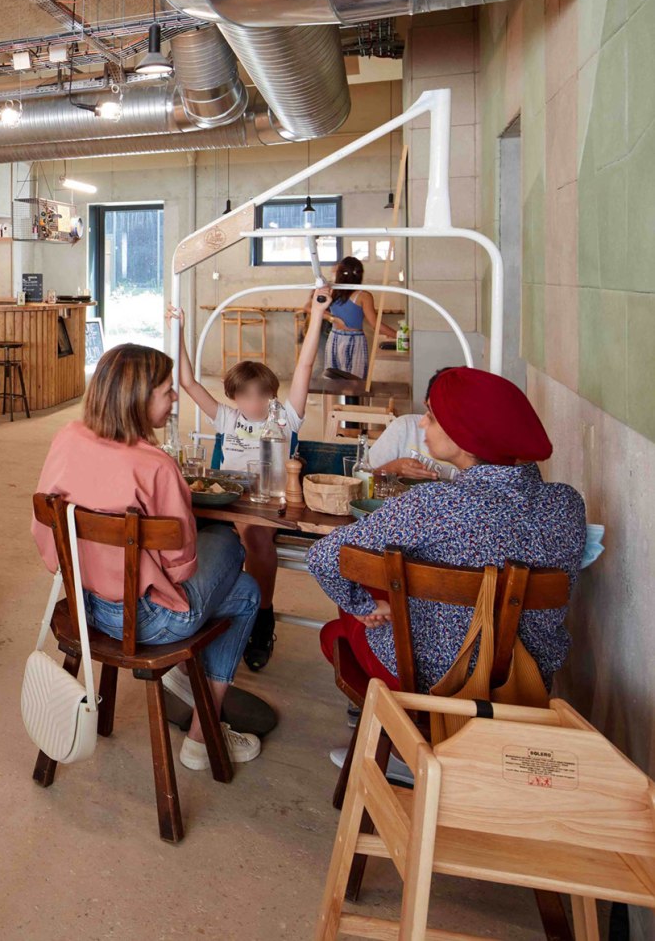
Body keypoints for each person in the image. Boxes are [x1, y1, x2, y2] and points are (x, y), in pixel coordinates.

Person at [31, 343, 262, 772]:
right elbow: (181, 564)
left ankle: (202, 725)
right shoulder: (156, 466)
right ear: (138, 397)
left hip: (82, 608)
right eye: (167, 392)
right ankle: (201, 735)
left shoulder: (67, 437)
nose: (175, 400)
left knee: (243, 587)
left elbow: (42, 533)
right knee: (233, 552)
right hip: (148, 622)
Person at [307, 367, 585, 701]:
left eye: (432, 416)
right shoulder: (567, 504)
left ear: (465, 436)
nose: (422, 423)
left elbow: (323, 556)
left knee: (340, 623)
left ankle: (398, 735)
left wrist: (365, 607)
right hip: (526, 686)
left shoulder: (433, 503)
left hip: (433, 682)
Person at [166, 286, 332, 670]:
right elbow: (189, 384)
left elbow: (305, 367)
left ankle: (262, 616)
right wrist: (179, 331)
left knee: (255, 534)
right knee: (186, 527)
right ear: (234, 397)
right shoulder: (228, 418)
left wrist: (318, 315)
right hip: (230, 495)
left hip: (265, 497)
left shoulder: (285, 418)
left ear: (274, 394)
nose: (253, 403)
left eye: (261, 395)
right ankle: (199, 608)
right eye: (244, 396)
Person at [306, 256, 396, 379]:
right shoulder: (362, 296)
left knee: (333, 379)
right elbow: (376, 325)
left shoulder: (331, 290)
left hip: (335, 338)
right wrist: (399, 335)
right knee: (354, 380)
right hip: (353, 340)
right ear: (359, 275)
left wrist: (333, 319)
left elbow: (310, 307)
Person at [367, 370, 456, 481]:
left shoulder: (470, 454)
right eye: (431, 411)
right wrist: (395, 468)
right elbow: (363, 478)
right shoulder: (405, 427)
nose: (424, 423)